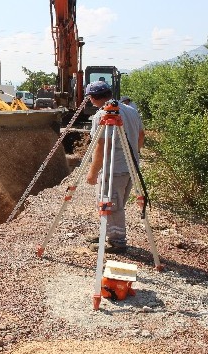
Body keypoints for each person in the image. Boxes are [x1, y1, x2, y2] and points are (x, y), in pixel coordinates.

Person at [84, 81, 145, 254]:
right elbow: (141, 135)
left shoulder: (103, 115)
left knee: (111, 205)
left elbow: (103, 145)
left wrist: (92, 172)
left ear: (94, 97)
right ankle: (107, 233)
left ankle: (117, 242)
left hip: (113, 169)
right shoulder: (131, 110)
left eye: (89, 97)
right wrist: (133, 153)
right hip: (130, 167)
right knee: (115, 203)